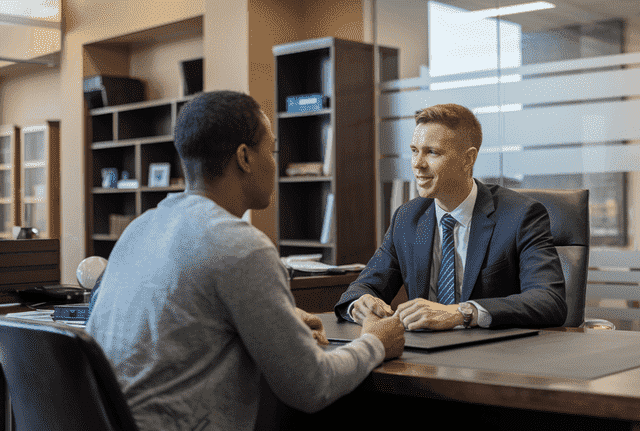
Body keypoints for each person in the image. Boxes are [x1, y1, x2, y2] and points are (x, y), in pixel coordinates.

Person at [86, 91, 405, 431]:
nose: (274, 162)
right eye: (272, 149)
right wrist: (375, 342)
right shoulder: (243, 246)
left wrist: (275, 317)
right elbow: (312, 386)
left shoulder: (140, 228)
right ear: (244, 157)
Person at [334, 103, 567, 331]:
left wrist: (462, 313)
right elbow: (363, 287)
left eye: (432, 152)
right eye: (414, 151)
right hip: (425, 357)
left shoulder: (520, 215)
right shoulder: (407, 218)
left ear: (468, 159)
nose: (417, 164)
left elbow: (549, 300)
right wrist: (361, 303)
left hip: (494, 358)